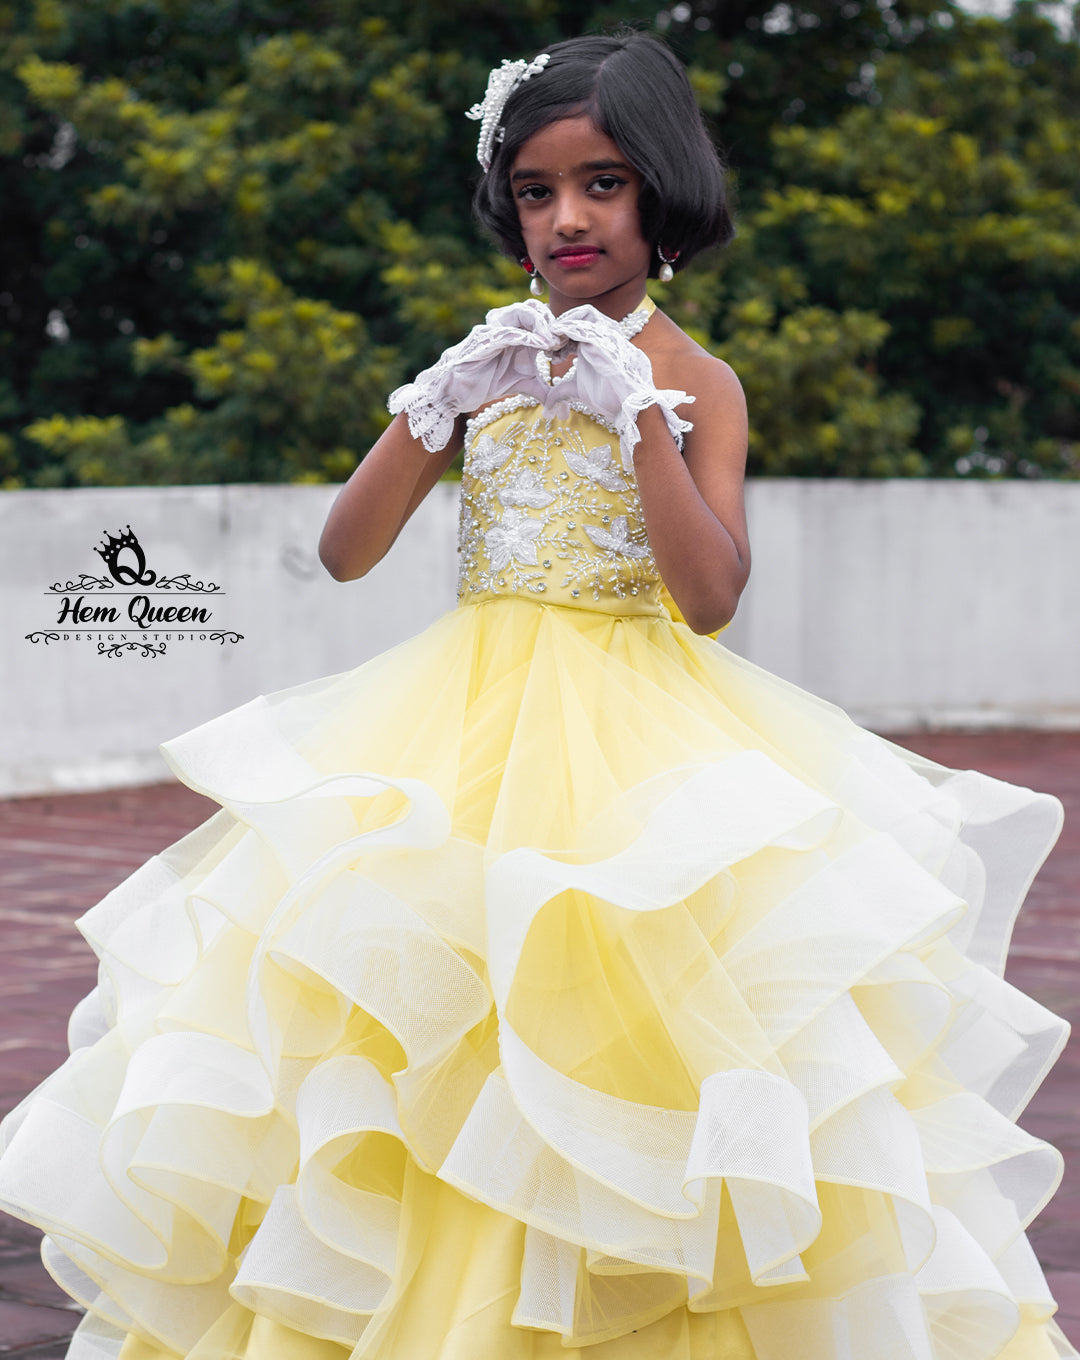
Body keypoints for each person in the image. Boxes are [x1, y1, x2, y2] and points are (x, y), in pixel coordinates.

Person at [0, 30, 1074, 1360]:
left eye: (604, 184)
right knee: (435, 1035)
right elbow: (345, 553)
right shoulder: (491, 370)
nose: (567, 218)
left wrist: (639, 415)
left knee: (619, 1031)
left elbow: (710, 594)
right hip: (464, 724)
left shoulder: (700, 385)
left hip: (640, 735)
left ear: (661, 192)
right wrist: (435, 406)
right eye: (535, 190)